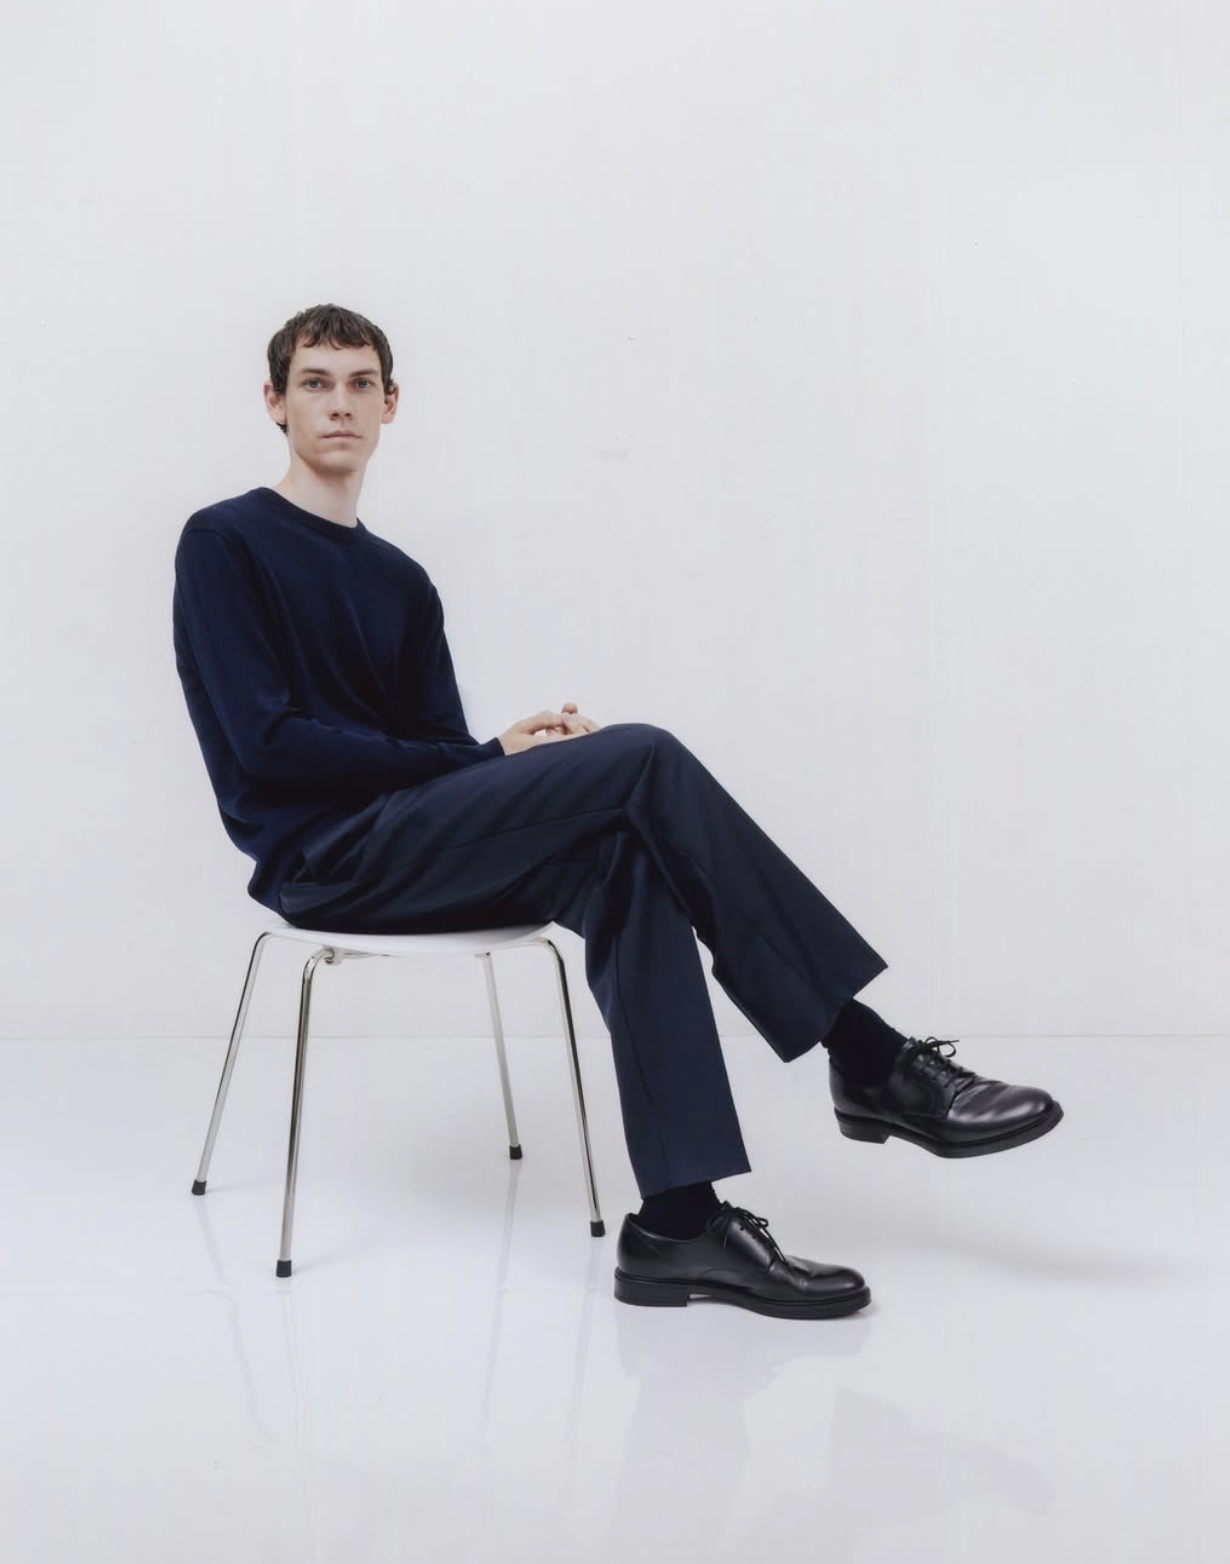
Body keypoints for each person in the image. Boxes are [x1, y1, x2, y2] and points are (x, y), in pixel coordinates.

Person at [172, 303, 1064, 1320]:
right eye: (317, 381)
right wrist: (487, 757)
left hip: (409, 840)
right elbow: (268, 746)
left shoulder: (402, 583)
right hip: (323, 860)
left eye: (360, 382)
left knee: (624, 861)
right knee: (638, 754)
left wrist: (500, 764)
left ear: (392, 404)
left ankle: (678, 1223)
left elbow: (438, 769)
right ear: (275, 401)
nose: (339, 402)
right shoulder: (225, 542)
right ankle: (868, 1055)